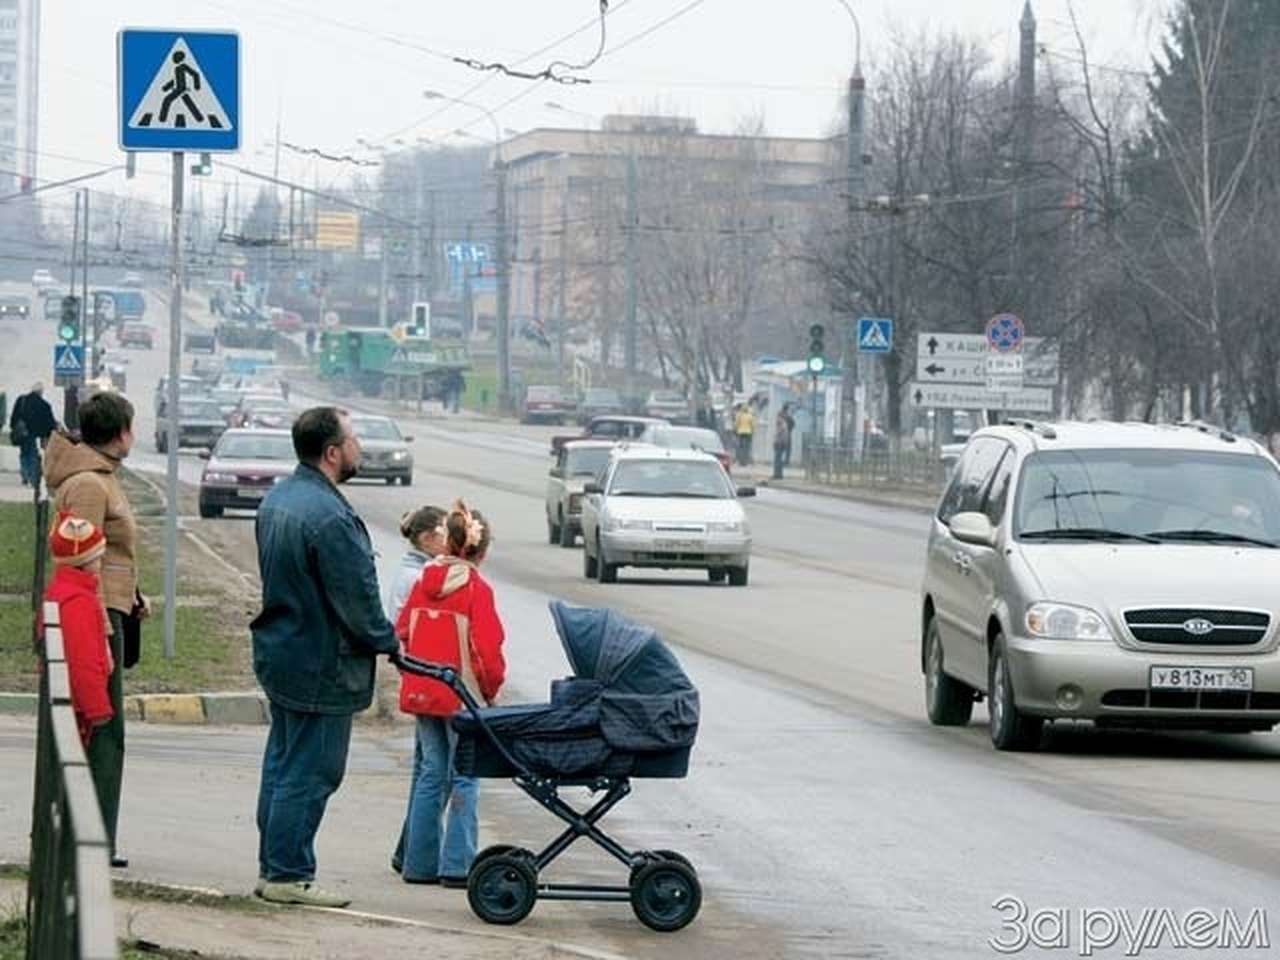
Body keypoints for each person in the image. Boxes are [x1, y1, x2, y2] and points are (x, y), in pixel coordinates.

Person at [251, 406, 399, 908]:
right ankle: (289, 875)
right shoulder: (332, 517)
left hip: (284, 650)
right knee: (312, 770)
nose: (359, 447)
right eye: (353, 439)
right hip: (323, 661)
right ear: (332, 453)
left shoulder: (280, 498)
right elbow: (357, 598)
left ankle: (274, 865)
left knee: (283, 762)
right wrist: (389, 641)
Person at [43, 391, 144, 870]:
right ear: (120, 432)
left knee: (102, 726)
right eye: (131, 427)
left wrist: (132, 593)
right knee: (104, 727)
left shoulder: (102, 478)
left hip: (110, 608)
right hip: (94, 617)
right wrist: (103, 619)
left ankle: (94, 833)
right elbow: (80, 553)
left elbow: (110, 553)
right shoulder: (88, 483)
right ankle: (94, 837)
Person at [394, 500, 506, 887]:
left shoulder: (424, 582)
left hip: (423, 690)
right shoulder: (477, 589)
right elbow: (487, 651)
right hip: (460, 695)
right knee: (465, 776)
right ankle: (457, 864)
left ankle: (418, 863)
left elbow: (403, 631)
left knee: (431, 773)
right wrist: (491, 693)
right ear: (481, 551)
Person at [43, 512, 113, 748]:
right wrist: (97, 707)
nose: (101, 563)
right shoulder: (79, 602)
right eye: (98, 557)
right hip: (77, 707)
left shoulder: (62, 591)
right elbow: (82, 659)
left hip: (68, 699)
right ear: (85, 561)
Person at [9, 382, 57, 487]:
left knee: (24, 454)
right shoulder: (44, 405)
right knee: (33, 455)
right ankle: (32, 478)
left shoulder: (21, 400)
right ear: (41, 392)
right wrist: (48, 434)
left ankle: (25, 476)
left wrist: (13, 427)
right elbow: (49, 423)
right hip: (34, 434)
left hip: (22, 433)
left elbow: (13, 417)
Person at [772, 403, 795, 480]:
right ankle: (779, 474)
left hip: (780, 442)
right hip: (785, 440)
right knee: (779, 458)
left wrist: (775, 440)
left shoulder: (782, 423)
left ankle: (777, 475)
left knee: (777, 459)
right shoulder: (788, 418)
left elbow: (778, 433)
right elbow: (792, 424)